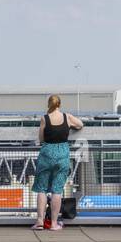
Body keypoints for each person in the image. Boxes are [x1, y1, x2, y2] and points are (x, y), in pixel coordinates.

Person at [33, 95, 83, 231]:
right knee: (57, 189)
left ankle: (40, 221)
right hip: (62, 153)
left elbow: (41, 139)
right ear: (60, 104)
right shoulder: (67, 117)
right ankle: (54, 224)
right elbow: (80, 124)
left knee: (42, 188)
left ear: (49, 105)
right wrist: (70, 126)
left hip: (47, 152)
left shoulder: (45, 118)